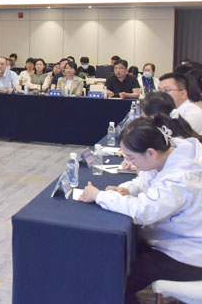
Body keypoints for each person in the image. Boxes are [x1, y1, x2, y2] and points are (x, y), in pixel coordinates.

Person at [79, 115, 202, 303]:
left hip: (189, 255)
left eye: (131, 157)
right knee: (118, 256)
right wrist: (129, 189)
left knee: (119, 277)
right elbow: (147, 180)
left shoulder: (180, 178)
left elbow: (143, 211)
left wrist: (99, 196)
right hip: (174, 240)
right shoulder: (168, 152)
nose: (130, 163)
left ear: (150, 153)